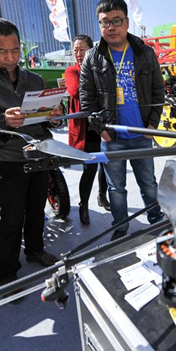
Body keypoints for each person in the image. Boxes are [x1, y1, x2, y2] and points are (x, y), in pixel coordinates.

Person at [0, 18, 60, 290]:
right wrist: (3, 121)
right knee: (12, 218)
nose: (10, 57)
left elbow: (47, 120)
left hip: (40, 152)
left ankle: (35, 250)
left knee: (37, 210)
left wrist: (54, 118)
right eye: (2, 51)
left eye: (15, 50)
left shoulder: (35, 78)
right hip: (8, 158)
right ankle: (7, 272)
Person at [80, 0, 165, 241]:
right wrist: (101, 131)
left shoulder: (145, 53)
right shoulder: (92, 57)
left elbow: (158, 91)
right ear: (99, 25)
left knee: (148, 184)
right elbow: (88, 100)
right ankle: (121, 226)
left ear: (127, 22)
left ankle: (155, 220)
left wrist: (152, 126)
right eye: (105, 22)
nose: (111, 27)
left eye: (117, 21)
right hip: (112, 136)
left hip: (142, 135)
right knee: (116, 189)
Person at [65, 34, 110, 225]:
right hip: (87, 129)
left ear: (92, 50)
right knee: (90, 168)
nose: (78, 53)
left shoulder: (101, 69)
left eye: (82, 49)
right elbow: (76, 92)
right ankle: (84, 205)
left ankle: (102, 196)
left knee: (107, 166)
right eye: (75, 50)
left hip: (105, 125)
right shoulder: (71, 71)